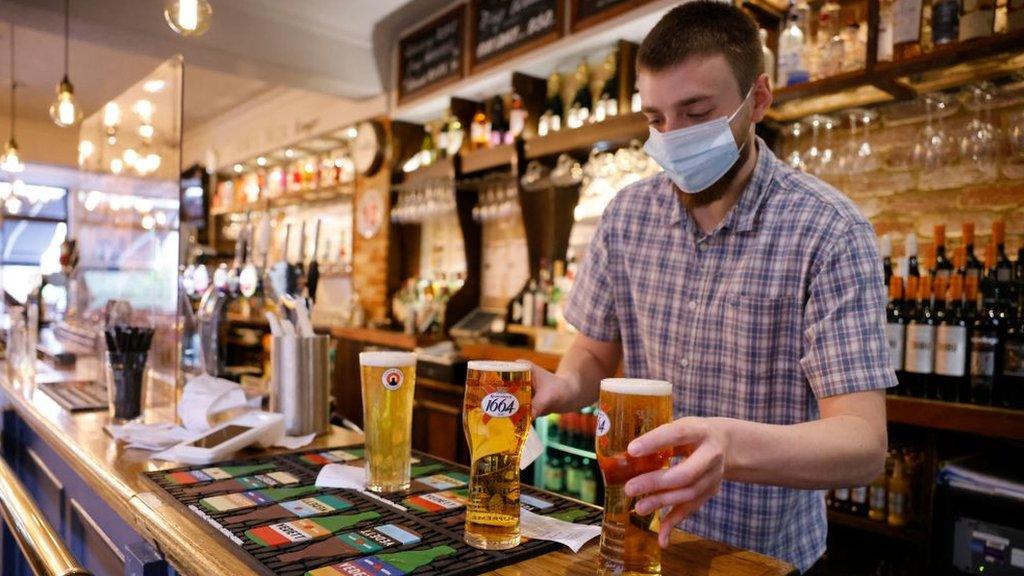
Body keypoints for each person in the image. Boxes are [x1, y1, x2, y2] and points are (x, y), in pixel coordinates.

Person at [528, 2, 893, 572]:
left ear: (759, 100)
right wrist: (561, 386)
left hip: (760, 559)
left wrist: (730, 446)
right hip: (636, 542)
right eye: (656, 120)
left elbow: (864, 446)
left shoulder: (829, 230)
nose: (672, 139)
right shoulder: (626, 216)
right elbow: (595, 353)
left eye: (696, 112)